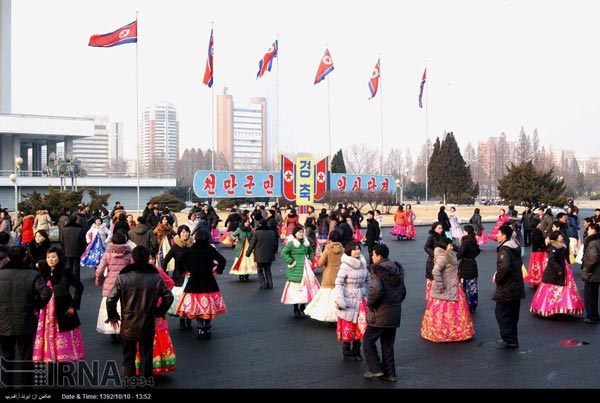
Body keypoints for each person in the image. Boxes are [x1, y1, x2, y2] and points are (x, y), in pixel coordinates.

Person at [106, 246, 174, 379]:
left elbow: (110, 299)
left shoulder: (123, 277)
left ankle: (130, 382)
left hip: (128, 323)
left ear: (132, 259)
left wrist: (113, 316)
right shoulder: (155, 278)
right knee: (146, 356)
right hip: (148, 322)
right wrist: (159, 313)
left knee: (128, 356)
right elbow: (168, 297)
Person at [0, 246, 52, 387]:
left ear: (8, 258)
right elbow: (46, 293)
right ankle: (26, 384)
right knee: (26, 355)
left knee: (6, 354)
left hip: (3, 320)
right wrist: (37, 305)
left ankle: (6, 383)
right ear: (24, 257)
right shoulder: (32, 274)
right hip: (25, 319)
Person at [33, 247, 86, 364]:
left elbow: (79, 286)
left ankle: (63, 359)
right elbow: (37, 292)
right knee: (47, 334)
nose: (50, 260)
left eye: (53, 257)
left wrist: (73, 305)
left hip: (63, 307)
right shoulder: (43, 271)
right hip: (46, 309)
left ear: (59, 258)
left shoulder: (65, 271)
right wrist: (36, 307)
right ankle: (49, 356)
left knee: (62, 334)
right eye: (48, 257)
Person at [362, 244, 406, 382]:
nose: (372, 257)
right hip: (394, 312)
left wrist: (370, 303)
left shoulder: (377, 270)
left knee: (368, 341)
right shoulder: (396, 269)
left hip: (380, 313)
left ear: (379, 255)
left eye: (373, 255)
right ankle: (390, 373)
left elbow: (376, 290)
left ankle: (375, 369)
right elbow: (403, 291)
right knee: (387, 344)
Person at [174, 230, 227, 340]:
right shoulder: (210, 250)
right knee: (207, 307)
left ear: (196, 238)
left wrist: (184, 271)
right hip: (209, 281)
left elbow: (179, 261)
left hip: (194, 282)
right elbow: (222, 260)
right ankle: (207, 327)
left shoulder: (191, 250)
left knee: (197, 308)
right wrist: (217, 270)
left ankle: (200, 328)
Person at [421, 237, 475, 342]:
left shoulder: (449, 255)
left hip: (453, 286)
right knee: (445, 311)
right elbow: (435, 272)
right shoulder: (443, 257)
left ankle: (455, 332)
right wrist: (440, 285)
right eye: (450, 245)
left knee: (453, 311)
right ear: (444, 246)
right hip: (446, 287)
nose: (452, 246)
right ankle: (446, 333)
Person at [529, 231, 584, 317]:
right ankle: (552, 308)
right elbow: (552, 260)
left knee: (557, 289)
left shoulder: (560, 246)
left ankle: (559, 308)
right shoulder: (554, 247)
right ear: (556, 238)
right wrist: (559, 269)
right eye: (560, 236)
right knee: (552, 289)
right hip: (554, 272)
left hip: (561, 271)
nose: (562, 237)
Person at [334, 242, 370, 362]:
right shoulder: (345, 265)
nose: (357, 251)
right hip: (348, 299)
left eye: (358, 249)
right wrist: (340, 299)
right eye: (354, 249)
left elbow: (368, 280)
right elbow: (338, 283)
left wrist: (369, 294)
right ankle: (346, 351)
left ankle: (357, 350)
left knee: (359, 326)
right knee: (348, 326)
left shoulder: (363, 264)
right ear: (349, 251)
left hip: (361, 300)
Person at [95, 230, 132, 343]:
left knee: (110, 306)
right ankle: (124, 330)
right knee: (125, 307)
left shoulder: (107, 254)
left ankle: (112, 330)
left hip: (110, 283)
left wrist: (99, 280)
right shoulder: (129, 254)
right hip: (125, 283)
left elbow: (99, 271)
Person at [493, 225, 525, 349]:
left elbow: (504, 267)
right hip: (516, 285)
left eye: (498, 233)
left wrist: (498, 279)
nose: (496, 235)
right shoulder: (514, 246)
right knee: (512, 314)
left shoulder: (504, 249)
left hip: (507, 287)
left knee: (502, 313)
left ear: (504, 235)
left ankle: (509, 339)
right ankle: (512, 338)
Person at [305, 230, 344, 323]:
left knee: (327, 298)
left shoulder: (328, 249)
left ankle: (329, 318)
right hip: (340, 274)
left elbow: (320, 262)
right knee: (339, 296)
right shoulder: (343, 249)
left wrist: (325, 265)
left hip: (329, 274)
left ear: (330, 238)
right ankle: (339, 317)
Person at [280, 226, 317, 317]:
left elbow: (311, 252)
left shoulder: (306, 243)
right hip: (295, 269)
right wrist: (291, 261)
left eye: (302, 232)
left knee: (305, 288)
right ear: (295, 233)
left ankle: (303, 306)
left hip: (306, 269)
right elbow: (283, 253)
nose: (301, 233)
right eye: (299, 232)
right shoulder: (291, 244)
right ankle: (296, 307)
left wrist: (310, 260)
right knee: (295, 289)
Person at [245, 219, 278, 290]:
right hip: (269, 254)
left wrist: (248, 253)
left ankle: (263, 285)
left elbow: (252, 244)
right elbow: (275, 244)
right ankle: (270, 284)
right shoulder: (272, 232)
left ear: (260, 224)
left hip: (259, 254)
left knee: (260, 271)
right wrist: (274, 252)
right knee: (268, 270)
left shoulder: (256, 233)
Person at [457, 225, 481, 313]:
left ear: (466, 231)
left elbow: (460, 253)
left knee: (464, 286)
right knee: (473, 286)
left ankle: (466, 305)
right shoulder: (474, 240)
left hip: (465, 265)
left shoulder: (465, 241)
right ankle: (473, 305)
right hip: (473, 264)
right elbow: (478, 251)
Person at [581, 223, 600, 323]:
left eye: (589, 229)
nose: (587, 231)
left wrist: (587, 269)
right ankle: (594, 315)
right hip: (597, 273)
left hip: (592, 273)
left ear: (593, 230)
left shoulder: (592, 243)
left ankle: (591, 316)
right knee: (594, 295)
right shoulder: (597, 241)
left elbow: (593, 257)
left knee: (589, 295)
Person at [424, 222, 444, 300]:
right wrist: (435, 254)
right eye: (439, 228)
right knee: (432, 280)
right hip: (432, 261)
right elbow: (426, 247)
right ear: (434, 229)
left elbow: (450, 245)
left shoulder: (443, 236)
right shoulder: (431, 237)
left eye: (441, 228)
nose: (441, 230)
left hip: (442, 261)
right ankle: (431, 299)